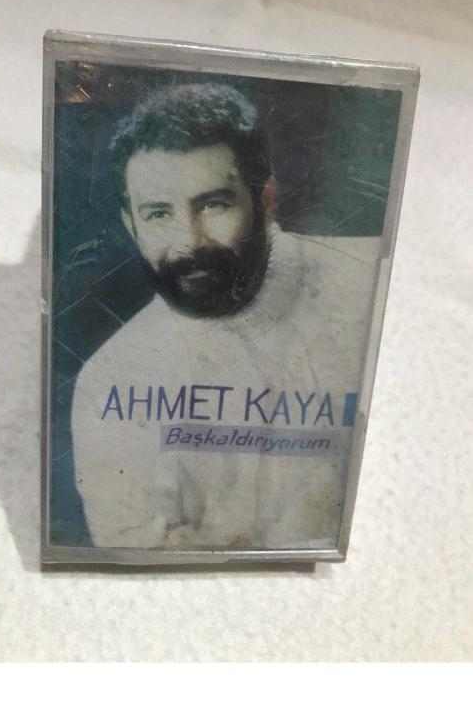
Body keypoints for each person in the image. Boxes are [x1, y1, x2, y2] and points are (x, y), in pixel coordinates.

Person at [71, 83, 378, 550]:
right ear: (131, 225)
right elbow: (138, 553)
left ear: (266, 200)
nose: (189, 242)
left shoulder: (368, 291)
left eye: (213, 204)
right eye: (158, 214)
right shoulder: (109, 378)